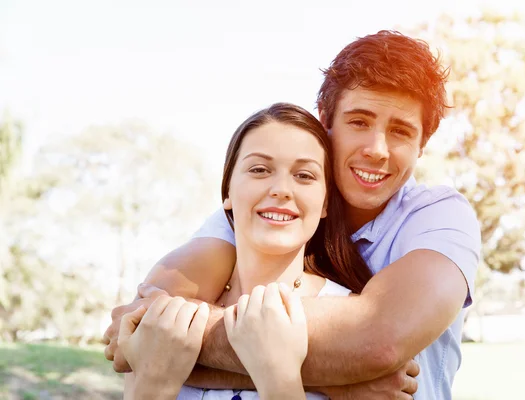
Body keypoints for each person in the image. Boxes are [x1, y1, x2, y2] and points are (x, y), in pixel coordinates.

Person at [104, 30, 481, 399]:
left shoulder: (440, 217)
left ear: (422, 147)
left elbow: (377, 345)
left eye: (400, 131)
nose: (377, 149)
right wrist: (338, 382)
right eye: (359, 122)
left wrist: (172, 335)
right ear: (325, 121)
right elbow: (132, 341)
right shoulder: (267, 209)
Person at [120, 103, 374, 399]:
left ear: (326, 203)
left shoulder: (351, 322)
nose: (282, 189)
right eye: (259, 170)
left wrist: (279, 377)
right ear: (227, 191)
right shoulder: (166, 316)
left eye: (304, 175)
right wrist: (155, 384)